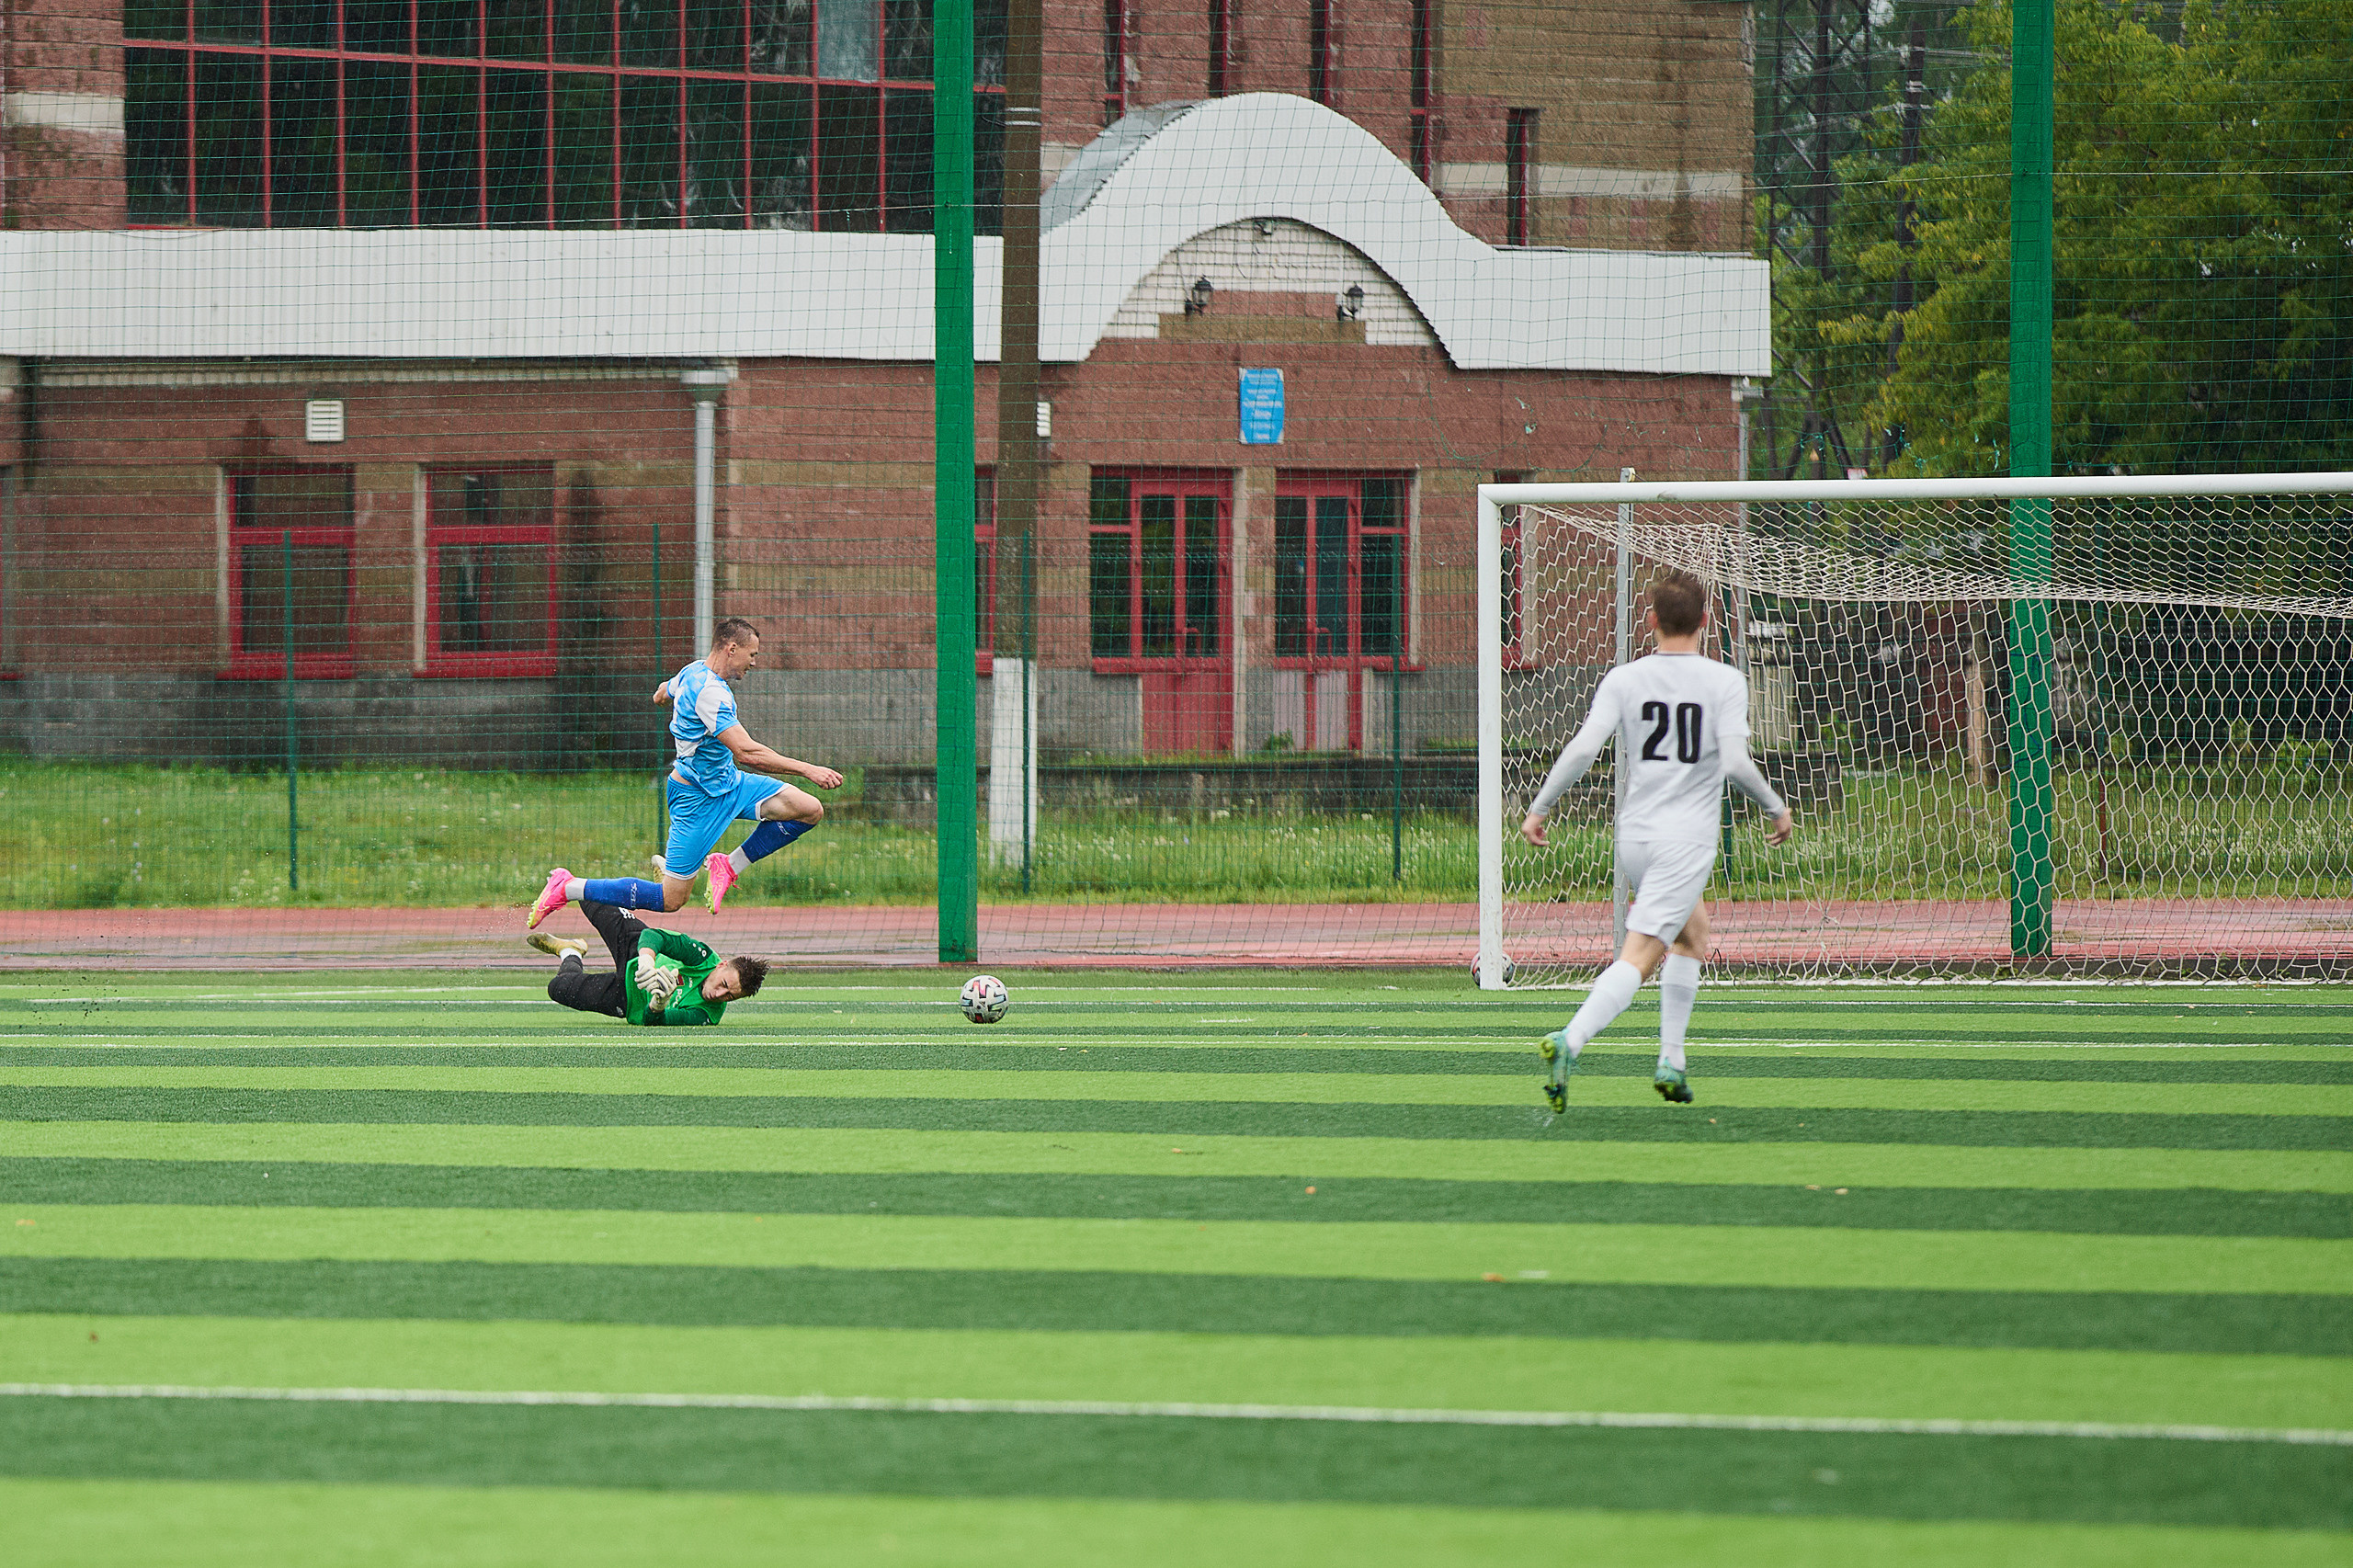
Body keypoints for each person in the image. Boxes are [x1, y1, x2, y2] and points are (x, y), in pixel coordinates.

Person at [1518, 568, 1794, 1111]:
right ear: (1706, 621)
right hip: (1684, 841)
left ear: (1651, 621)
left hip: (1635, 837)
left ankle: (1672, 1061)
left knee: (1693, 934)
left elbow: (1583, 749)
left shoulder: (1625, 678)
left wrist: (1540, 805)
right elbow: (1736, 761)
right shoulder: (1724, 681)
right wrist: (1775, 806)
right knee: (1642, 954)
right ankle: (1571, 1039)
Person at [529, 616, 843, 927]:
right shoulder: (710, 692)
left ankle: (728, 866)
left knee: (809, 810)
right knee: (670, 899)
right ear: (732, 649)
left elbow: (662, 692)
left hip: (730, 784)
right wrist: (809, 769)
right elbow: (747, 753)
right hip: (696, 799)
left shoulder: (693, 671)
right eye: (752, 654)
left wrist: (666, 701)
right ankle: (568, 887)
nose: (754, 663)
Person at [530, 897, 767, 1027]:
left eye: (729, 997)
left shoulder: (707, 1015)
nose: (718, 995)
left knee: (558, 988)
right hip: (637, 952)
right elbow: (655, 936)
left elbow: (655, 1022)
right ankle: (661, 890)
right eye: (723, 985)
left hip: (627, 998)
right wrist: (646, 961)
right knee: (591, 896)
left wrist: (658, 1004)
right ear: (721, 965)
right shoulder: (703, 957)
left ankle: (570, 951)